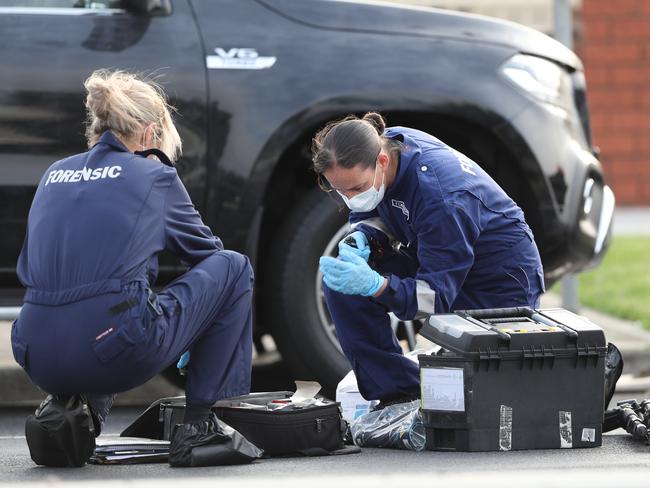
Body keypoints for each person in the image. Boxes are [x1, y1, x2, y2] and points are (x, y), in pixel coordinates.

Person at [11, 69, 255, 467]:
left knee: (102, 297)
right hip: (114, 351)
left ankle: (68, 415)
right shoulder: (153, 174)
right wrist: (198, 329)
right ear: (148, 133)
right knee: (233, 267)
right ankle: (200, 427)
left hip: (35, 351)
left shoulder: (53, 173)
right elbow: (208, 255)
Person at [315, 112, 545, 408]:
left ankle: (420, 392)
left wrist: (377, 286)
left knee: (479, 397)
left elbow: (431, 299)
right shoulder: (385, 142)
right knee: (343, 286)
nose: (350, 198)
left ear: (382, 162)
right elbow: (379, 208)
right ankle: (399, 393)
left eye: (356, 189)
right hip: (441, 254)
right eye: (340, 191)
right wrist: (364, 236)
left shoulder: (441, 197)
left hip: (498, 286)